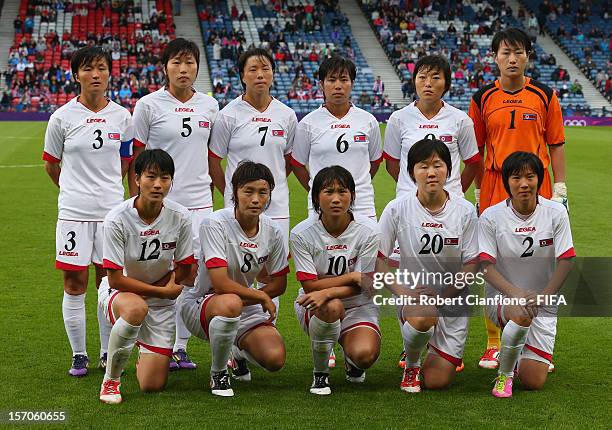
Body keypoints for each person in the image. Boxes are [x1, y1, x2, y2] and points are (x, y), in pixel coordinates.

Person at [469, 28, 567, 369]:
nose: (512, 59)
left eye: (519, 52)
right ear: (495, 57)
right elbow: (475, 150)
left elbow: (555, 143)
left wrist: (561, 188)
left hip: (536, 186)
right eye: (505, 53)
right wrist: (479, 190)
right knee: (493, 263)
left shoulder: (544, 94)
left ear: (528, 56)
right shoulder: (482, 97)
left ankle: (535, 339)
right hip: (497, 184)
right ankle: (493, 343)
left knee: (539, 262)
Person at [43, 46, 133, 377]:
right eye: (87, 69)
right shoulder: (61, 118)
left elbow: (127, 161)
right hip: (73, 213)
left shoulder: (123, 116)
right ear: (75, 75)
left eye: (100, 68)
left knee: (109, 283)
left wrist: (106, 191)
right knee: (74, 282)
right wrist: (74, 192)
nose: (95, 75)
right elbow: (51, 165)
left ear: (109, 73)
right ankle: (79, 354)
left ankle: (106, 353)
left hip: (111, 213)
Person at [131, 38, 219, 371]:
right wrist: (137, 202)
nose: (184, 70)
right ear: (165, 67)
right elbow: (137, 159)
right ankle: (152, 343)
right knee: (155, 272)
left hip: (198, 204)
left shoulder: (210, 106)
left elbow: (212, 156)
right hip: (160, 204)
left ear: (198, 66)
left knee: (191, 274)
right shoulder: (149, 105)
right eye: (176, 63)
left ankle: (180, 346)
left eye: (190, 63)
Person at [378, 138, 479, 393]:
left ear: (449, 169)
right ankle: (412, 363)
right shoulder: (396, 209)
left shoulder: (465, 211)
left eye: (438, 165)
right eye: (423, 166)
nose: (431, 172)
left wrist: (444, 297)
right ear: (411, 172)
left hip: (453, 300)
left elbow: (472, 264)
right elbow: (378, 263)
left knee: (436, 382)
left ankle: (431, 351)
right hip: (416, 298)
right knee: (424, 314)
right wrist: (406, 293)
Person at [182, 161, 289, 392]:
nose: (255, 199)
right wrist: (261, 296)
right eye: (248, 191)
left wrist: (258, 297)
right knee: (229, 302)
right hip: (202, 303)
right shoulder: (214, 223)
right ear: (234, 192)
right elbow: (220, 284)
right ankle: (219, 373)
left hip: (245, 303)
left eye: (262, 192)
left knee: (274, 359)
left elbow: (279, 283)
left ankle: (237, 351)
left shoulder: (273, 231)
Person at [98, 149, 195, 404]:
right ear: (137, 178)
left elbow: (185, 267)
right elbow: (116, 279)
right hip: (121, 293)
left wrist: (166, 288)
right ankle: (111, 380)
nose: (158, 184)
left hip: (160, 301)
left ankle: (142, 349)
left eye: (165, 178)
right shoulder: (117, 219)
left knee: (152, 385)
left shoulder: (181, 217)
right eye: (151, 177)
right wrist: (163, 291)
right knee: (135, 309)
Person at [479, 152, 575, 398]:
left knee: (534, 382)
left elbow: (566, 260)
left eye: (530, 177)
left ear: (539, 179)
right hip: (502, 299)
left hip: (543, 303)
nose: (524, 183)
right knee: (521, 312)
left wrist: (543, 297)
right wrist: (518, 294)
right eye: (516, 177)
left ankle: (518, 349)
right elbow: (485, 266)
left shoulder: (556, 212)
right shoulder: (491, 216)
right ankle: (505, 375)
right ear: (506, 182)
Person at [291, 166, 380, 395]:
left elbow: (366, 284)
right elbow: (309, 287)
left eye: (342, 191)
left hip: (359, 304)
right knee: (331, 307)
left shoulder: (369, 230)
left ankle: (351, 358)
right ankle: (320, 374)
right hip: (317, 305)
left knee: (365, 356)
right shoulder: (301, 233)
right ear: (316, 198)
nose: (336, 199)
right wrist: (350, 276)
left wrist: (328, 290)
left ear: (352, 195)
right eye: (328, 191)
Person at [209, 47, 297, 247]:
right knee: (238, 267)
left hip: (277, 203)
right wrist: (231, 194)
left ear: (273, 74)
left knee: (275, 269)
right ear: (242, 76)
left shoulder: (287, 115)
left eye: (265, 69)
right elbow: (213, 160)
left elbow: (290, 159)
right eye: (253, 69)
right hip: (238, 205)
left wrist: (274, 185)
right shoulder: (228, 115)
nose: (260, 75)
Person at [291, 56, 383, 219]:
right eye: (331, 80)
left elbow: (375, 161)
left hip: (362, 206)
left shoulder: (369, 121)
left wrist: (356, 187)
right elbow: (297, 164)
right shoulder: (307, 124)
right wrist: (318, 190)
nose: (338, 86)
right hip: (321, 207)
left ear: (352, 83)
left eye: (344, 79)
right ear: (321, 85)